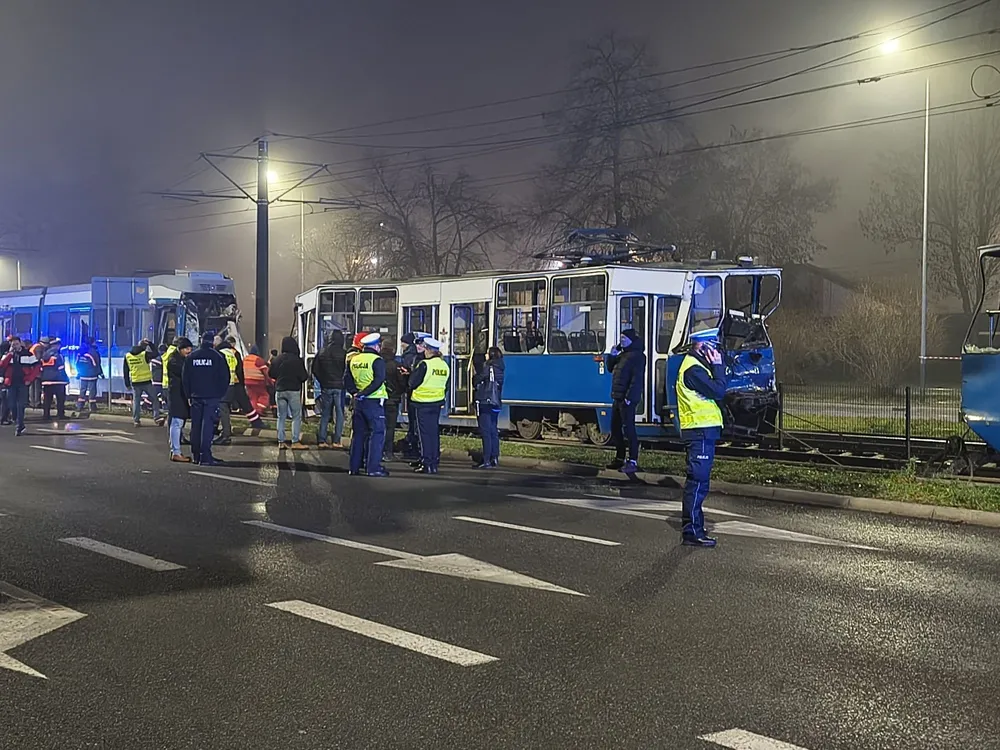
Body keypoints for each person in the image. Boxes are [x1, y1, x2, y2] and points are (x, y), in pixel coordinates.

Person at [675, 333, 727, 547]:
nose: (716, 351)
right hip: (699, 432)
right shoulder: (693, 369)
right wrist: (718, 366)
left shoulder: (697, 367)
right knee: (697, 482)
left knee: (699, 481)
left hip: (702, 431)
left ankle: (695, 527)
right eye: (712, 346)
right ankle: (692, 531)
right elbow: (719, 390)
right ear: (702, 346)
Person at [181, 332, 231, 466]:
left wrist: (188, 395)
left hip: (196, 396)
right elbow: (225, 377)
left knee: (196, 426)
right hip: (212, 397)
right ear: (213, 342)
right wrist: (220, 394)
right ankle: (206, 455)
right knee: (207, 426)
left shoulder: (192, 357)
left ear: (201, 341)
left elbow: (185, 378)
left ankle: (196, 455)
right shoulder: (218, 357)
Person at [344, 332, 389, 477]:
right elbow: (378, 380)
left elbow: (346, 380)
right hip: (374, 401)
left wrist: (355, 393)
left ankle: (354, 468)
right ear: (376, 346)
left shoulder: (354, 360)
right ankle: (373, 468)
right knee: (377, 434)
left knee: (358, 435)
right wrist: (365, 393)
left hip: (358, 402)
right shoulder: (377, 360)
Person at [606, 327, 646, 475]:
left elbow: (636, 380)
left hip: (627, 399)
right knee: (615, 429)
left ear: (631, 340)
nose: (621, 340)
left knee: (629, 430)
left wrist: (629, 398)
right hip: (617, 397)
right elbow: (611, 368)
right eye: (621, 338)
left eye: (624, 338)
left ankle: (633, 460)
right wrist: (612, 355)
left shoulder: (637, 356)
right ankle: (620, 457)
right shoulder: (622, 355)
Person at [408, 337, 449, 474]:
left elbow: (412, 383)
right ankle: (434, 461)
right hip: (436, 403)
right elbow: (446, 386)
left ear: (428, 350)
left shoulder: (424, 365)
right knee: (433, 433)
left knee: (424, 434)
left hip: (422, 402)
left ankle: (427, 463)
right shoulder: (444, 365)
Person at [215, 335, 264, 445]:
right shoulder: (234, 353)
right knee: (245, 404)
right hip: (235, 383)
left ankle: (221, 430)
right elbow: (239, 369)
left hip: (224, 385)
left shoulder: (217, 352)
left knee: (222, 408)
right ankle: (256, 422)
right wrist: (242, 383)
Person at [268, 336, 309, 450]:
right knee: (296, 416)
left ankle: (281, 441)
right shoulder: (297, 360)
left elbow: (271, 373)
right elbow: (304, 376)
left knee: (281, 417)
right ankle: (295, 441)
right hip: (293, 391)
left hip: (280, 390)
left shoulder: (277, 359)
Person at [312, 329, 347, 449]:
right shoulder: (344, 353)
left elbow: (315, 369)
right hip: (339, 387)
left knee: (325, 413)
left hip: (326, 386)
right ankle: (336, 441)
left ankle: (322, 440)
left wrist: (323, 381)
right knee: (339, 414)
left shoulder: (322, 352)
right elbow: (346, 371)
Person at [0, 336, 41, 435]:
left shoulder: (28, 354)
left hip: (23, 382)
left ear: (20, 343)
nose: (15, 346)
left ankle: (20, 426)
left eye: (16, 344)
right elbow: (1, 365)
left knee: (20, 405)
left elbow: (37, 367)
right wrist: (9, 354)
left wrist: (29, 379)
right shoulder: (8, 355)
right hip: (11, 382)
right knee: (11, 404)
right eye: (13, 344)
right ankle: (17, 421)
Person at [473, 347, 505, 469]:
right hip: (496, 402)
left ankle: (486, 460)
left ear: (491, 355)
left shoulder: (489, 367)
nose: (485, 355)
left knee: (485, 431)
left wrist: (475, 378)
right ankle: (494, 457)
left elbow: (477, 379)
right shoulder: (501, 367)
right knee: (493, 431)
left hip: (486, 401)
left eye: (487, 353)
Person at [166, 337, 194, 463]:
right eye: (187, 349)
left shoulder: (179, 359)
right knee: (177, 422)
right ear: (180, 349)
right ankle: (176, 452)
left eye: (190, 348)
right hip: (177, 395)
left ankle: (175, 451)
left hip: (179, 394)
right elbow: (184, 374)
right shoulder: (174, 360)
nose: (189, 351)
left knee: (177, 422)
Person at [124, 338, 162, 427]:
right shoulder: (144, 354)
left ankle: (136, 421)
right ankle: (156, 417)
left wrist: (127, 384)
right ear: (144, 347)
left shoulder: (128, 356)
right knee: (154, 399)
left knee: (136, 401)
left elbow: (125, 371)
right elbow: (156, 353)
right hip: (146, 382)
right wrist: (150, 344)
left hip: (135, 382)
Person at [381, 342, 407, 461]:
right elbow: (402, 383)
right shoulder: (396, 365)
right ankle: (388, 452)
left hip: (378, 400)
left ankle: (376, 451)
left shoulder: (377, 363)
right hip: (393, 400)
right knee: (390, 427)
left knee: (377, 427)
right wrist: (399, 393)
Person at [399, 332, 421, 459]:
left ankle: (413, 448)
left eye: (402, 342)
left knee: (414, 421)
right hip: (418, 394)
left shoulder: (409, 356)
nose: (401, 344)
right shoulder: (414, 355)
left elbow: (411, 375)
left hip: (414, 393)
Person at [40, 339, 69, 420]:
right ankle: (60, 414)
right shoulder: (58, 355)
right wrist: (65, 379)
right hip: (58, 381)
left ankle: (46, 415)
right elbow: (61, 368)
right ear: (57, 345)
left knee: (47, 399)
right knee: (60, 399)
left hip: (46, 380)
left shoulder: (44, 355)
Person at [242, 344, 272, 417]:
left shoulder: (245, 359)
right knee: (264, 396)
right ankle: (259, 410)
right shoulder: (258, 360)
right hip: (258, 381)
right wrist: (271, 381)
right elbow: (266, 372)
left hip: (247, 381)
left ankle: (254, 413)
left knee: (253, 398)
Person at [75, 338, 103, 413]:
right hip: (92, 374)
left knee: (82, 390)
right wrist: (101, 373)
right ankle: (92, 406)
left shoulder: (81, 351)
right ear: (93, 343)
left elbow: (77, 363)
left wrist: (79, 373)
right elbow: (98, 364)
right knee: (92, 390)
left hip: (83, 374)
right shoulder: (94, 352)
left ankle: (80, 405)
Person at [29, 337, 48, 408]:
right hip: (36, 370)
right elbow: (39, 358)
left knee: (32, 387)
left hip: (31, 369)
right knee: (37, 387)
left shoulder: (35, 346)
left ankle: (32, 402)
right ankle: (36, 402)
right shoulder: (39, 348)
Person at [151, 344, 167, 412]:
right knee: (163, 395)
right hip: (161, 380)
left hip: (154, 380)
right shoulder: (163, 359)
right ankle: (164, 407)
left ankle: (148, 405)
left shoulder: (155, 359)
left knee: (157, 394)